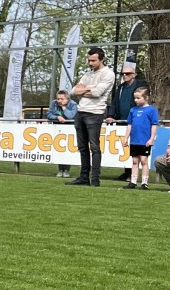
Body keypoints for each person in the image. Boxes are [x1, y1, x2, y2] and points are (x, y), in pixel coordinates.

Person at [67, 47, 116, 187]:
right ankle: (83, 177)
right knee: (82, 147)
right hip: (81, 111)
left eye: (93, 60)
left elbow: (97, 93)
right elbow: (72, 92)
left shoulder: (108, 74)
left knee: (94, 147)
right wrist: (88, 89)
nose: (90, 63)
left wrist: (83, 90)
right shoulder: (87, 74)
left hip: (95, 113)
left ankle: (95, 179)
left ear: (102, 59)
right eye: (89, 60)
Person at [109, 66, 149, 181]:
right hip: (122, 121)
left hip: (136, 122)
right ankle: (127, 172)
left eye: (128, 73)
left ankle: (136, 176)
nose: (125, 75)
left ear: (134, 74)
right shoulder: (120, 87)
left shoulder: (140, 86)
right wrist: (111, 115)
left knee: (138, 152)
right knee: (127, 148)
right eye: (123, 74)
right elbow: (114, 102)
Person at [124, 87, 159, 190]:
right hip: (134, 140)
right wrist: (126, 138)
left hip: (145, 140)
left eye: (138, 98)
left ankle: (144, 182)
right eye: (135, 98)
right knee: (135, 161)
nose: (136, 100)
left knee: (144, 160)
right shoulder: (133, 110)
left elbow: (154, 125)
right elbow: (129, 125)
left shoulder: (151, 110)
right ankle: (133, 181)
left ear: (146, 97)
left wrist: (151, 138)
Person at [47, 90, 78, 177]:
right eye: (58, 99)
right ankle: (60, 169)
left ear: (67, 99)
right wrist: (57, 117)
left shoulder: (73, 104)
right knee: (59, 148)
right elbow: (49, 114)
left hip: (70, 129)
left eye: (62, 99)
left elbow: (71, 116)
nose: (59, 101)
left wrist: (64, 108)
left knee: (67, 149)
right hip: (58, 129)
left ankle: (67, 170)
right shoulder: (54, 103)